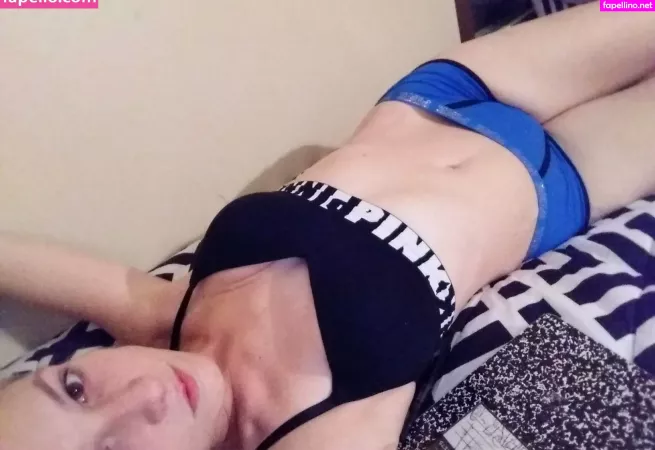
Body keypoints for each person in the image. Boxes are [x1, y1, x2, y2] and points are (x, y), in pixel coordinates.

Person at [1, 2, 654, 449]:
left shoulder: (159, 317)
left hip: (446, 92)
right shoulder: (316, 433)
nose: (142, 395)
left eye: (75, 389)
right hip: (564, 180)